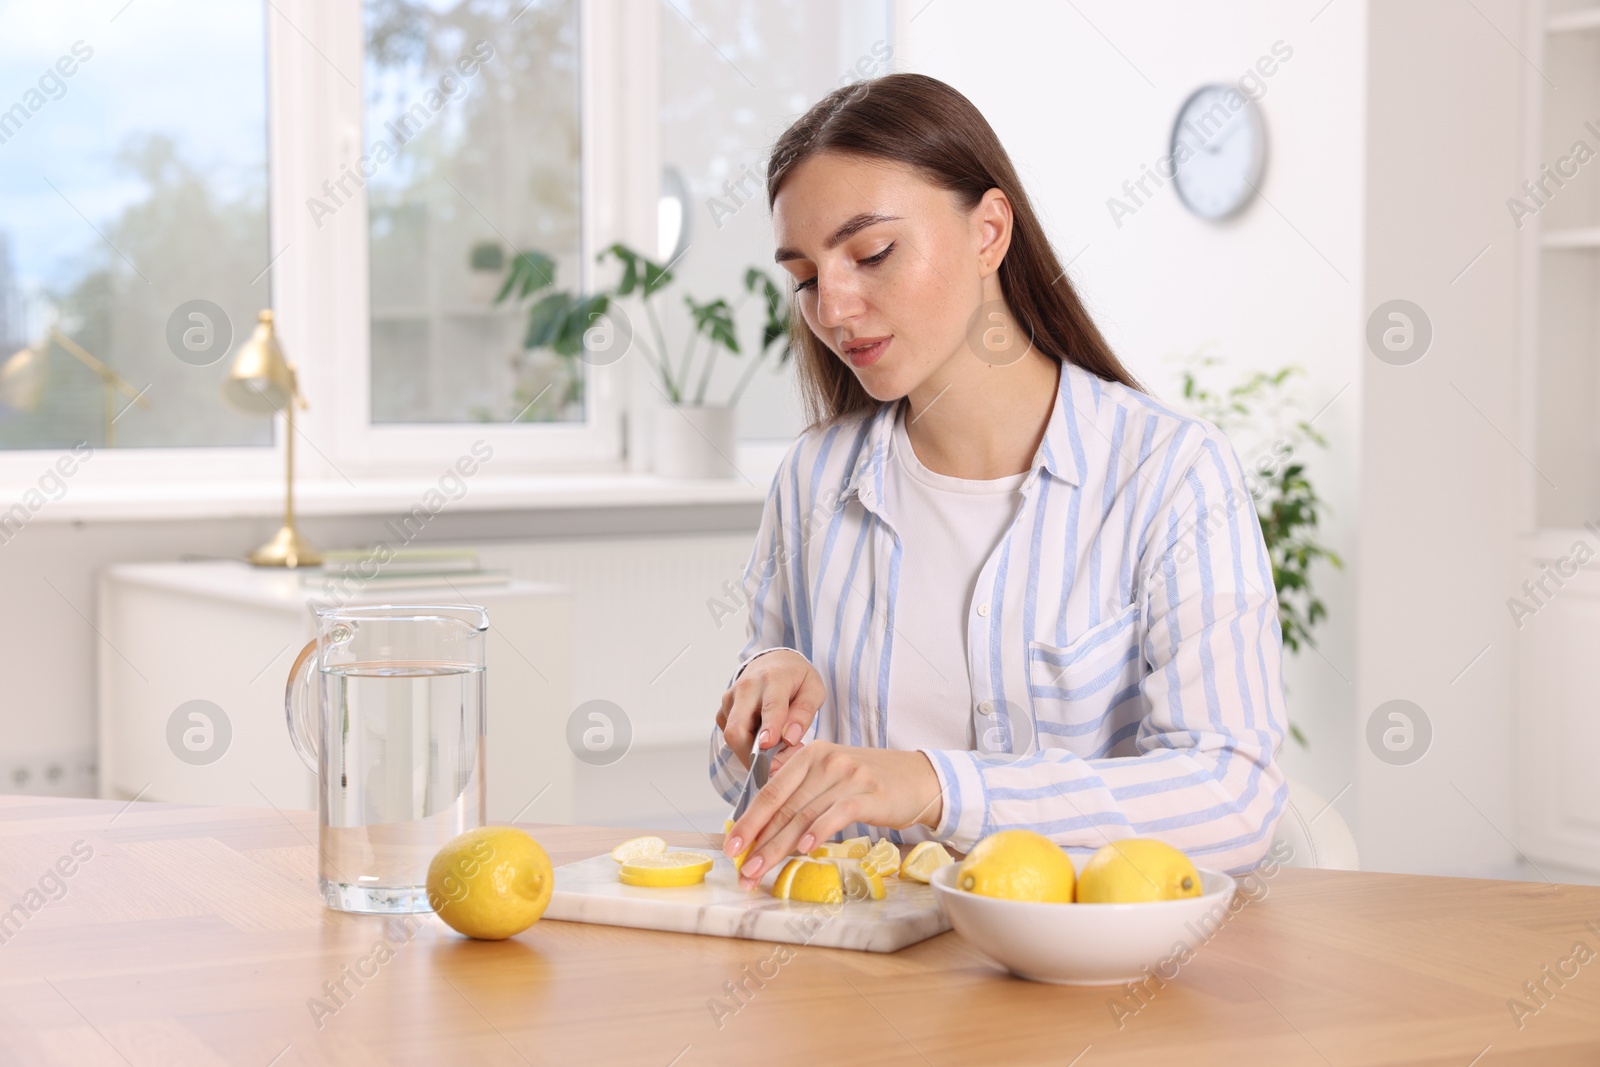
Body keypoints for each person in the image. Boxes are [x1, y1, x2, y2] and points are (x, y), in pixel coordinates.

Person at [711, 73, 1287, 889]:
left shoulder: (1170, 473)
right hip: (855, 976)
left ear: (989, 232)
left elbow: (1232, 798)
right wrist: (760, 708)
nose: (833, 308)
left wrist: (939, 785)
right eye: (805, 277)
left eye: (873, 253)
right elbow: (756, 795)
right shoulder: (813, 480)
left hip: (1086, 982)